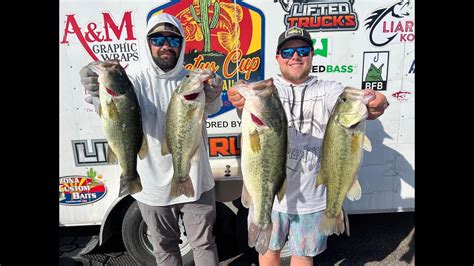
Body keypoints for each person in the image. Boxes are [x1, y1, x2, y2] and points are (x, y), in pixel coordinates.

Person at [228, 26, 389, 266]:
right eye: (287, 51)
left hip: (314, 196)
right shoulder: (269, 91)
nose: (295, 56)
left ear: (312, 55)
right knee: (268, 252)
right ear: (278, 57)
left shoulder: (328, 89)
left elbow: (358, 105)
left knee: (303, 256)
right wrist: (238, 94)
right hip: (270, 192)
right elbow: (246, 99)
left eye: (302, 50)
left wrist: (377, 102)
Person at [79, 13, 223, 266]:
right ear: (147, 44)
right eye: (157, 39)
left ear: (182, 44)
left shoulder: (193, 80)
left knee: (203, 243)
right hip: (151, 186)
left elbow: (211, 108)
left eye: (173, 40)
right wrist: (94, 87)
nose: (165, 45)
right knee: (164, 247)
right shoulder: (133, 79)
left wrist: (212, 94)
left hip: (196, 180)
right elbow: (107, 106)